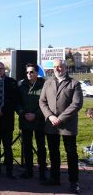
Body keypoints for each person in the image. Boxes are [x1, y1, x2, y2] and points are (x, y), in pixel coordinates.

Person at [39, 59, 83, 194]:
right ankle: (54, 177)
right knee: (53, 152)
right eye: (56, 67)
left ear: (66, 67)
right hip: (51, 124)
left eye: (61, 66)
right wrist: (50, 116)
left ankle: (73, 182)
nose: (58, 69)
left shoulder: (74, 83)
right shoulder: (48, 83)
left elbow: (77, 104)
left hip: (67, 125)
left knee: (71, 154)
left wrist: (61, 118)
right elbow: (42, 101)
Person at [17, 63, 46, 181]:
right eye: (27, 72)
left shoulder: (44, 85)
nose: (29, 74)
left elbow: (46, 102)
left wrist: (36, 115)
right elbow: (17, 102)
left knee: (41, 147)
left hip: (39, 121)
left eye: (31, 72)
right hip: (25, 120)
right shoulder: (21, 85)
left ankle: (42, 171)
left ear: (37, 73)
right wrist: (23, 113)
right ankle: (28, 170)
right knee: (27, 147)